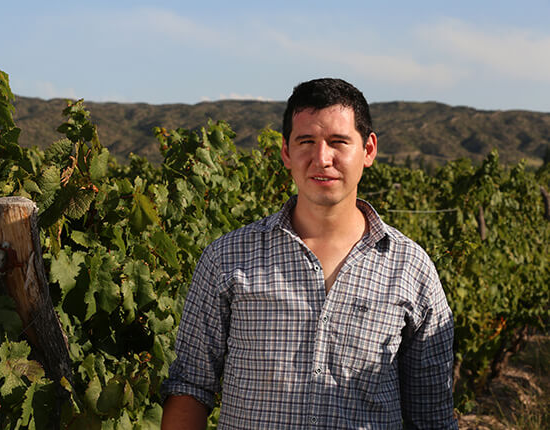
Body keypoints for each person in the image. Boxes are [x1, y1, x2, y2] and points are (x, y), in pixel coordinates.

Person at [161, 78, 457, 429]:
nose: (321, 158)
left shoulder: (410, 268)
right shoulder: (227, 259)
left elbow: (431, 414)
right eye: (306, 142)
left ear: (369, 150)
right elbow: (190, 386)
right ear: (286, 151)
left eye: (338, 142)